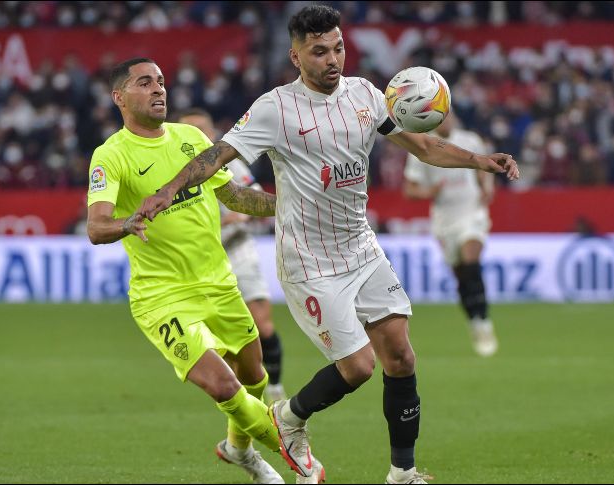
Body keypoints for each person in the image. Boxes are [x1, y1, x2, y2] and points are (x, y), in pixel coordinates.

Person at [135, 6, 519, 484]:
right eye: (319, 51)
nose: (332, 59)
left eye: (338, 47)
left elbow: (424, 146)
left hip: (360, 246)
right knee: (358, 366)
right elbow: (218, 156)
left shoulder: (365, 95)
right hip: (308, 259)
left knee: (400, 355)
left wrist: (481, 161)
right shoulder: (275, 108)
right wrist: (168, 190)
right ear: (296, 56)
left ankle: (403, 471)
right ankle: (288, 417)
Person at [85, 57, 285, 484]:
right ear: (119, 97)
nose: (159, 89)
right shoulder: (111, 155)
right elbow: (96, 227)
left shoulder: (191, 137)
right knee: (224, 387)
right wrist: (126, 224)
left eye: (160, 81)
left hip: (219, 283)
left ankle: (240, 451)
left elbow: (234, 197)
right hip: (163, 296)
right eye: (145, 83)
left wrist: (291, 205)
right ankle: (296, 448)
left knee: (254, 376)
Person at [174, 107, 287, 403]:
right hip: (200, 261)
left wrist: (243, 218)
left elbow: (253, 199)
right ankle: (243, 396)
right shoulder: (171, 168)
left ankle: (274, 386)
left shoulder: (231, 166)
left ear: (212, 132)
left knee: (261, 324)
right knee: (223, 340)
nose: (198, 135)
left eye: (202, 129)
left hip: (238, 250)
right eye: (190, 130)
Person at [403, 113, 499, 357]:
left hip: (472, 211)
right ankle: (474, 321)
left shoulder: (470, 139)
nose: (448, 120)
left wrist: (487, 188)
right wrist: (429, 192)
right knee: (462, 275)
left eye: (450, 115)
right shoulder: (422, 146)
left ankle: (485, 321)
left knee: (471, 257)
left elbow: (482, 169)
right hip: (445, 219)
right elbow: (410, 189)